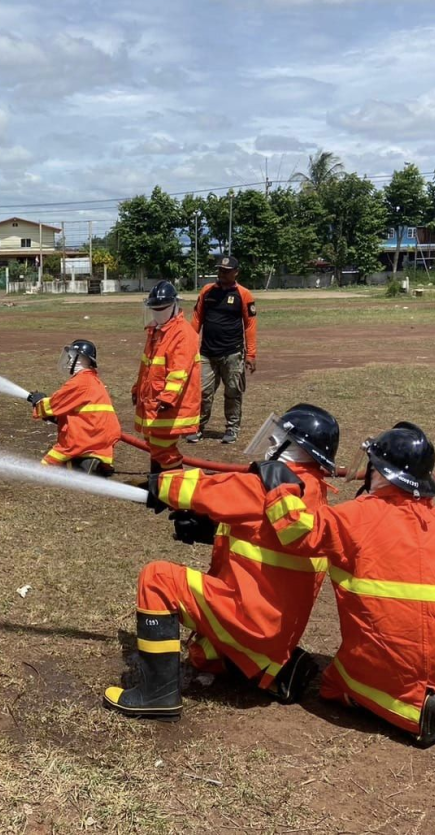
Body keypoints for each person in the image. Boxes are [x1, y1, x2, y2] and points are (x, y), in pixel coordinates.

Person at [103, 404, 340, 719]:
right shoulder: (314, 493)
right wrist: (211, 529)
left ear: (295, 446)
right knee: (202, 653)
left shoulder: (270, 485)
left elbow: (205, 488)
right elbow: (265, 534)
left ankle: (155, 695)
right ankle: (273, 671)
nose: (271, 442)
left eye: (279, 436)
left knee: (157, 578)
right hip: (275, 631)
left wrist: (156, 486)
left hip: (251, 620)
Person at [289, 422, 435, 746]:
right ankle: (425, 688)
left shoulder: (356, 517)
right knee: (412, 656)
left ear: (378, 472)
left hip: (399, 651)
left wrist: (278, 485)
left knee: (333, 685)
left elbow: (299, 533)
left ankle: (413, 710)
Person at [131, 281, 201, 473]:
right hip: (152, 401)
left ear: (174, 305)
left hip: (169, 405)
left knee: (163, 448)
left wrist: (168, 398)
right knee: (154, 443)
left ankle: (176, 490)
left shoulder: (183, 333)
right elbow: (147, 367)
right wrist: (137, 389)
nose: (157, 313)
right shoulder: (156, 331)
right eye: (154, 309)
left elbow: (179, 371)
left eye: (161, 309)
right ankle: (158, 485)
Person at [187, 255, 257, 445]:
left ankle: (232, 429)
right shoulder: (207, 291)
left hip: (232, 353)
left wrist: (250, 354)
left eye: (226, 271)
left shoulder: (244, 294)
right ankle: (197, 427)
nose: (222, 274)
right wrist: (188, 346)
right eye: (220, 270)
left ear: (236, 272)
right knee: (202, 392)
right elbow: (196, 319)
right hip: (206, 353)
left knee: (233, 391)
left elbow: (250, 325)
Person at [25, 340, 121, 475]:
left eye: (72, 357)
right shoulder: (92, 380)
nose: (69, 361)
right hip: (99, 438)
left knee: (44, 469)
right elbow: (73, 410)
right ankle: (92, 463)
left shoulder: (80, 382)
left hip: (85, 436)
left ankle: (84, 466)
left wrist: (38, 401)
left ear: (83, 359)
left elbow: (54, 404)